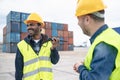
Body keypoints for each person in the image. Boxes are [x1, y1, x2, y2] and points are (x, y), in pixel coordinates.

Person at [73, 0, 120, 80]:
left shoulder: (104, 45)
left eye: (78, 19)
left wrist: (80, 67)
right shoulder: (111, 37)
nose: (78, 23)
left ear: (87, 19)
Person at [15, 13, 60, 80]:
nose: (29, 27)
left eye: (32, 24)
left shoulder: (49, 43)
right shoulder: (21, 45)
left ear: (40, 26)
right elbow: (19, 70)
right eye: (27, 25)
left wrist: (53, 49)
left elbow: (55, 61)